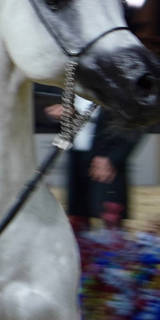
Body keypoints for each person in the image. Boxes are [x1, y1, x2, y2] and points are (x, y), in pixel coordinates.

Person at [41, 91, 143, 229]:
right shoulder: (72, 85)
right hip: (77, 161)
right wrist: (58, 114)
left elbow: (136, 124)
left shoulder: (118, 86)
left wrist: (112, 158)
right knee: (78, 221)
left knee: (110, 223)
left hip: (106, 162)